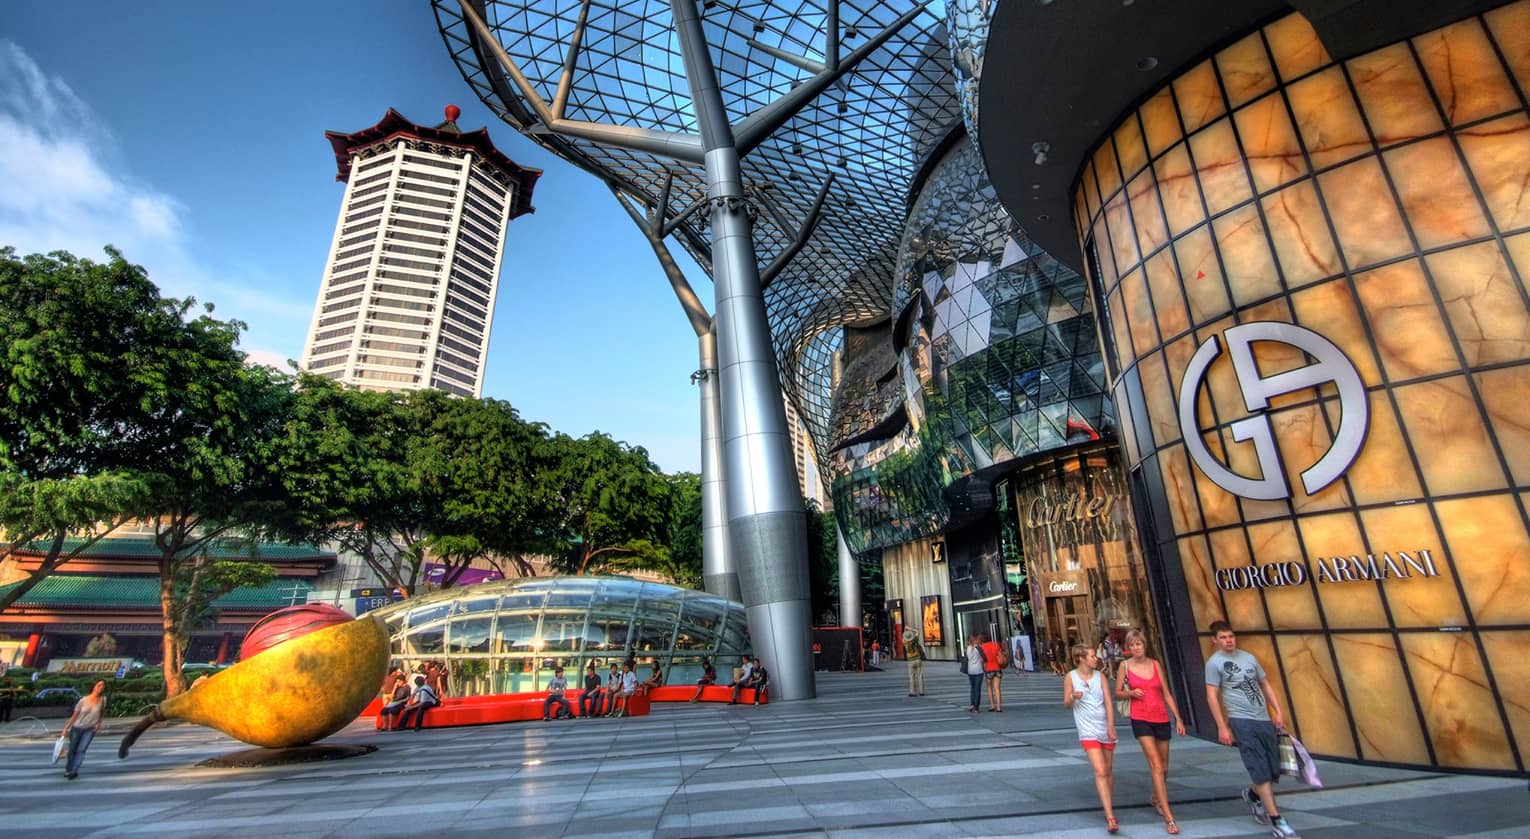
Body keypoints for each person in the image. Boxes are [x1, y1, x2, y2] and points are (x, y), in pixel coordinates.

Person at [1204, 621, 1298, 838]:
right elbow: (1211, 695)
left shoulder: (1249, 658)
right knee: (1258, 767)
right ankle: (1278, 820)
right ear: (1215, 640)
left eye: (1231, 636)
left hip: (1263, 718)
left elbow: (1264, 684)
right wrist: (1222, 726)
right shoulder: (1214, 663)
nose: (1229, 640)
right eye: (1224, 637)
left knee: (1273, 769)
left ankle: (1253, 795)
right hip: (1241, 720)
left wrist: (1278, 710)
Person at [1114, 629, 1187, 835]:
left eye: (1139, 644)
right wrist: (1130, 693)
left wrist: (1178, 718)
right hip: (1141, 717)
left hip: (1161, 716)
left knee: (1164, 767)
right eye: (1132, 645)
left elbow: (1166, 692)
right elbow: (1118, 694)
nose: (1136, 648)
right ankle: (1169, 816)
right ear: (1128, 648)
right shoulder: (1125, 666)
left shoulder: (1155, 664)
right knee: (1155, 764)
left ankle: (1156, 797)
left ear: (1145, 645)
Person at [1064, 644, 1118, 833]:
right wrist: (1073, 696)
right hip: (1087, 730)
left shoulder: (1100, 676)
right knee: (1101, 770)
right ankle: (1110, 815)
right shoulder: (1070, 677)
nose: (1096, 659)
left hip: (1104, 727)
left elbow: (1109, 703)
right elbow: (1066, 703)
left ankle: (1107, 803)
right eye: (1092, 656)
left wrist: (1111, 725)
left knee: (1108, 770)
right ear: (1081, 658)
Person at [61, 680, 107, 780]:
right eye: (99, 685)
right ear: (94, 686)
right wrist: (66, 728)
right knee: (72, 750)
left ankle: (74, 771)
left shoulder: (103, 700)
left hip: (90, 729)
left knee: (81, 750)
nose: (101, 687)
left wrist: (99, 723)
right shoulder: (83, 700)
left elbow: (102, 712)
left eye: (103, 686)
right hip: (77, 728)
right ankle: (68, 769)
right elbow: (74, 716)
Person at [980, 633, 1004, 712]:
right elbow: (1000, 656)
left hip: (988, 669)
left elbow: (982, 660)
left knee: (989, 688)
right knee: (997, 688)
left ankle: (992, 706)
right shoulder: (996, 645)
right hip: (997, 668)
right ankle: (999, 707)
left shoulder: (982, 647)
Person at [963, 634, 986, 713]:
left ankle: (972, 704)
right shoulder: (979, 648)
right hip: (979, 670)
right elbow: (985, 658)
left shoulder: (968, 649)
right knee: (977, 689)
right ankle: (976, 706)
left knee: (972, 688)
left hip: (971, 671)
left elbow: (968, 658)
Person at [902, 628, 925, 696]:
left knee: (912, 676)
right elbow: (918, 631)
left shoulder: (905, 642)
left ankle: (913, 692)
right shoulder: (915, 640)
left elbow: (904, 637)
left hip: (911, 661)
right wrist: (910, 629)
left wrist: (905, 631)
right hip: (918, 659)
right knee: (920, 676)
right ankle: (921, 692)